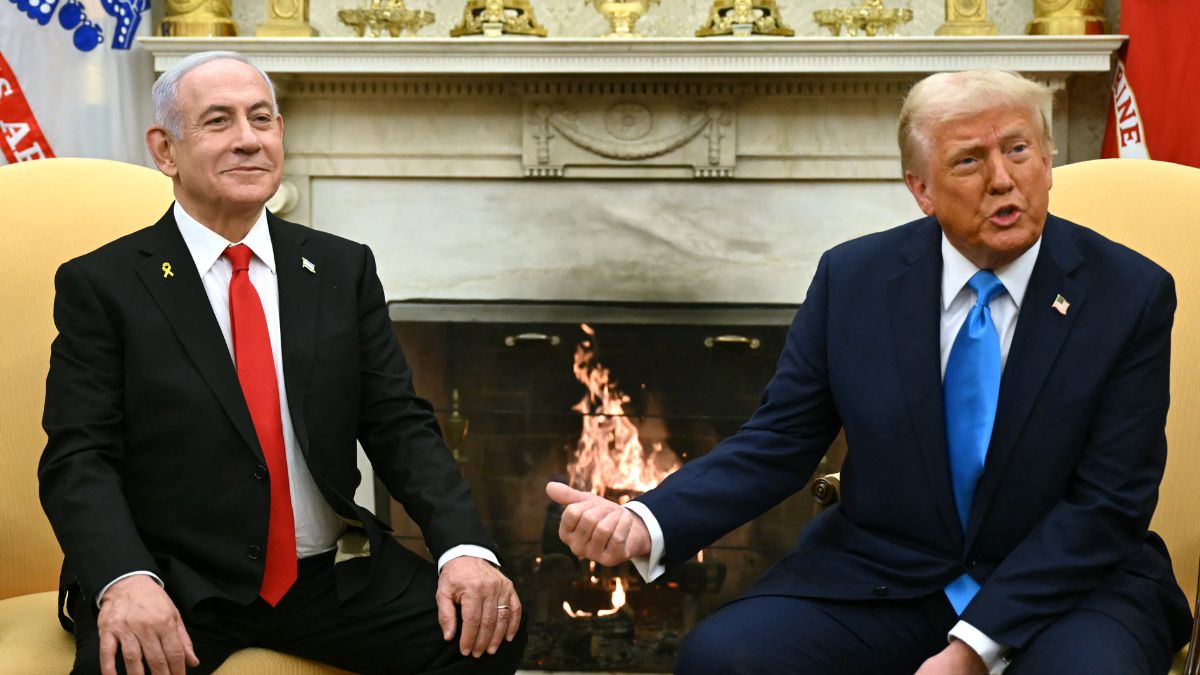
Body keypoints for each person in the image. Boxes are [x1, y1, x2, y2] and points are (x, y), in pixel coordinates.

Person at [547, 70, 1193, 674]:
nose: (1002, 179)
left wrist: (971, 648)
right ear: (921, 189)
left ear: (1048, 160)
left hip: (1071, 585)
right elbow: (779, 442)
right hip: (887, 577)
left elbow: (1108, 503)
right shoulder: (853, 280)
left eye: (1019, 150)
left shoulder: (1128, 293)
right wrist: (646, 520)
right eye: (969, 159)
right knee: (725, 658)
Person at [39, 50, 525, 675]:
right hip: (175, 580)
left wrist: (463, 548)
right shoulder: (104, 284)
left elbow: (398, 423)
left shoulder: (341, 269)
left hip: (325, 575)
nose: (248, 140)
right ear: (165, 150)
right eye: (218, 122)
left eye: (262, 118)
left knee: (491, 631)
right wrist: (124, 579)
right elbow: (79, 456)